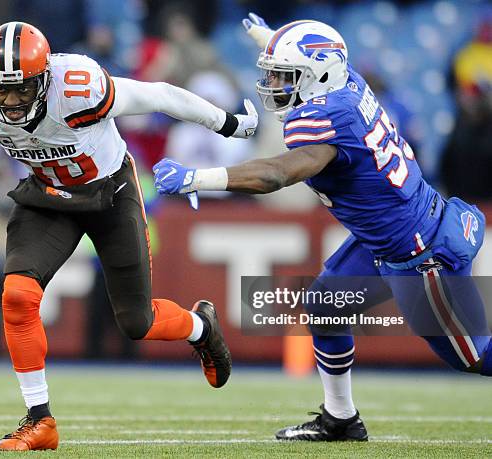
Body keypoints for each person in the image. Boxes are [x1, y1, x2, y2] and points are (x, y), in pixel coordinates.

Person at [154, 16, 492, 442]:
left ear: (317, 76)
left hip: (419, 255)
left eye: (284, 75)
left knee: (476, 357)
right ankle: (341, 420)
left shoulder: (327, 119)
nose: (275, 83)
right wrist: (267, 38)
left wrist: (198, 178)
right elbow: (321, 60)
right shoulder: (345, 82)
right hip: (387, 235)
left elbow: (277, 174)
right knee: (324, 305)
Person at [0, 21, 258, 451]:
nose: (10, 101)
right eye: (2, 90)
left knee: (137, 322)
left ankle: (200, 326)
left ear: (45, 78)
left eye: (23, 89)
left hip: (110, 194)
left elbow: (159, 94)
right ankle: (39, 421)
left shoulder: (79, 86)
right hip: (47, 197)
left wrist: (228, 123)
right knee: (17, 297)